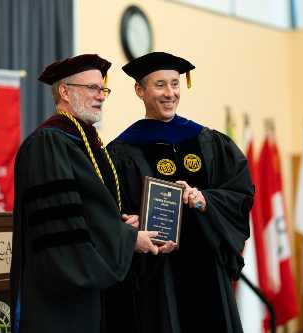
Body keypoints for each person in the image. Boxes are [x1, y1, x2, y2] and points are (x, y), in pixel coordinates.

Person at [103, 52, 254, 333]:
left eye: (175, 84)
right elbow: (110, 212)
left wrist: (206, 200)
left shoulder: (207, 140)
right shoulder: (120, 152)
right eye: (160, 85)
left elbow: (240, 193)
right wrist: (128, 228)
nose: (170, 93)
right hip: (156, 278)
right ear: (140, 90)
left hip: (207, 269)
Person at [10, 54, 161, 333]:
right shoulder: (48, 143)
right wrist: (126, 240)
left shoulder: (86, 142)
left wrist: (119, 226)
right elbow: (62, 226)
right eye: (92, 88)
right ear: (65, 91)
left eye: (102, 89)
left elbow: (87, 211)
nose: (101, 96)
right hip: (59, 298)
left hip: (88, 293)